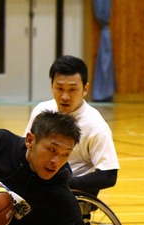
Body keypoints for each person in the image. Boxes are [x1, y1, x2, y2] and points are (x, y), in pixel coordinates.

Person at [24, 55, 119, 197]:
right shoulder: (41, 110)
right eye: (59, 88)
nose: (65, 96)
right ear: (51, 86)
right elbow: (24, 147)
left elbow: (108, 175)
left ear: (85, 89)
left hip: (68, 191)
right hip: (35, 183)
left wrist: (65, 184)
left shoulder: (96, 125)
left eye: (72, 89)